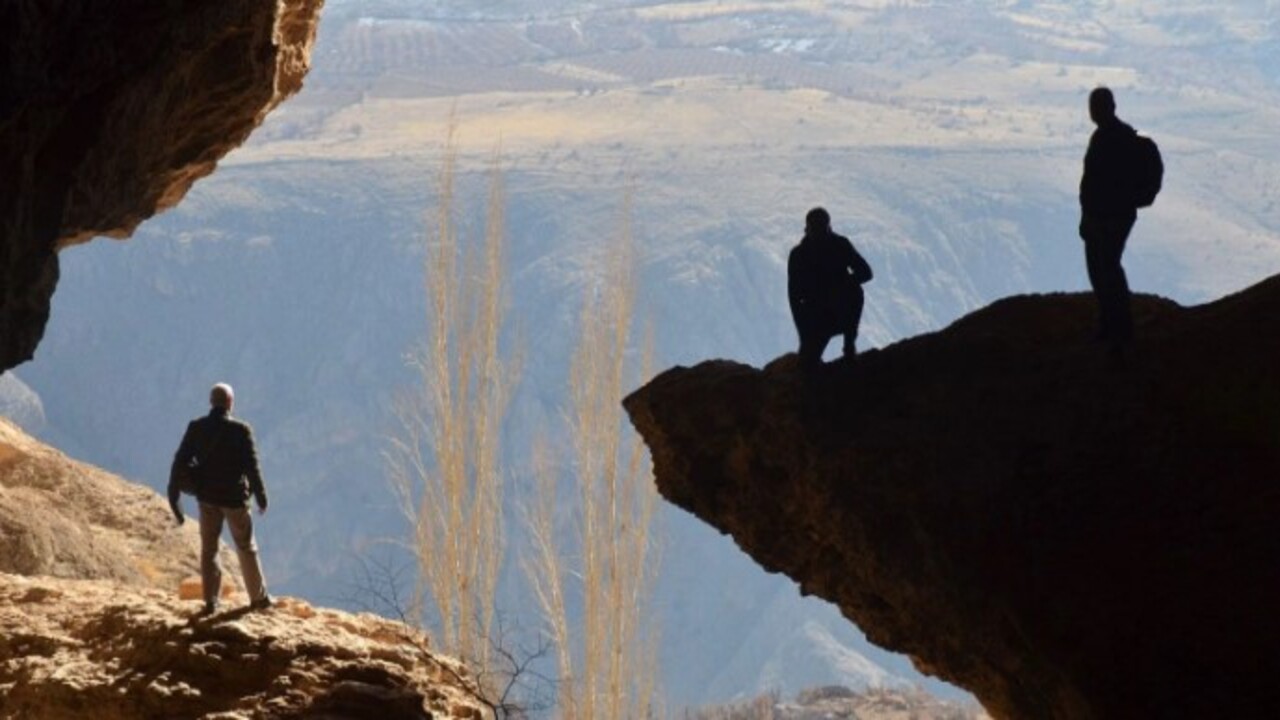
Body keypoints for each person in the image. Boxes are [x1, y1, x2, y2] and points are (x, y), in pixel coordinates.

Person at [169, 382, 272, 614]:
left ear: (211, 402)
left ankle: (211, 601)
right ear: (230, 403)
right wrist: (262, 498)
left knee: (209, 549)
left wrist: (174, 496)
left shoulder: (196, 428)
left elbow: (179, 462)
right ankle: (258, 598)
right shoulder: (241, 431)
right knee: (246, 547)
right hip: (235, 500)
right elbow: (252, 468)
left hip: (207, 499)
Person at [1079, 86, 1140, 354]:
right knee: (1103, 267)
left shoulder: (1112, 138)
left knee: (1107, 267)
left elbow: (1098, 181)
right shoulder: (1112, 136)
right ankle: (1111, 322)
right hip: (1105, 215)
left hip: (1109, 216)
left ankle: (1119, 327)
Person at [788, 207, 873, 366]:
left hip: (831, 312)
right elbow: (794, 298)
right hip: (818, 317)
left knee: (855, 292)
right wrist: (804, 334)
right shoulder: (800, 255)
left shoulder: (801, 254)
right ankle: (848, 348)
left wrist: (843, 285)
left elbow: (866, 272)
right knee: (808, 363)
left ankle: (849, 347)